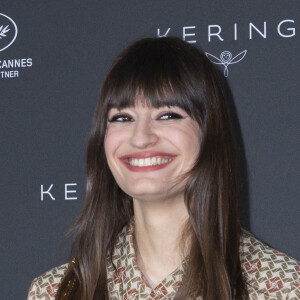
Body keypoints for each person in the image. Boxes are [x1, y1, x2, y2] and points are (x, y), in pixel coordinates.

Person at [27, 37, 300, 300]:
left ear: (209, 132)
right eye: (122, 117)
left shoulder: (282, 288)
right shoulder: (54, 292)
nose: (141, 137)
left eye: (167, 115)